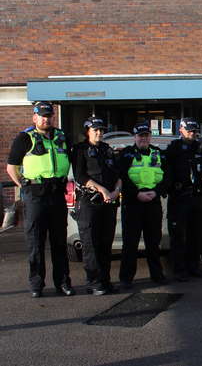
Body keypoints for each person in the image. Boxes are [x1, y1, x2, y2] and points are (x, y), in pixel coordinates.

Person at [5, 102, 75, 298]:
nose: (46, 119)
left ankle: (63, 283)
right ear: (34, 117)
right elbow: (12, 167)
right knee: (35, 242)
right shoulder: (25, 138)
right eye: (42, 116)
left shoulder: (62, 137)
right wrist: (24, 187)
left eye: (49, 115)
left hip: (56, 193)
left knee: (59, 242)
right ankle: (36, 284)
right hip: (35, 194)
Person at [71, 116, 121, 295]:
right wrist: (102, 190)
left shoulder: (107, 150)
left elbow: (118, 174)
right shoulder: (80, 150)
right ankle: (94, 282)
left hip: (108, 203)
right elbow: (80, 176)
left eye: (101, 130)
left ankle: (105, 281)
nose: (99, 133)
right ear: (88, 132)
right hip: (89, 203)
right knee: (91, 244)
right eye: (95, 130)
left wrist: (115, 191)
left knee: (106, 243)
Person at [118, 122, 168, 288]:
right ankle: (126, 278)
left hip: (153, 201)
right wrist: (136, 194)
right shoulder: (126, 154)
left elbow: (167, 177)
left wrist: (157, 191)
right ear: (135, 137)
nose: (144, 139)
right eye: (140, 136)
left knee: (153, 242)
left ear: (150, 136)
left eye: (146, 135)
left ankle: (157, 275)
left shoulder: (158, 153)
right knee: (130, 243)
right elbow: (122, 177)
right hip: (133, 203)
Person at [163, 117, 202, 281]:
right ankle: (179, 270)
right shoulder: (173, 149)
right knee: (178, 237)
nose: (192, 133)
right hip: (179, 198)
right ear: (181, 130)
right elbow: (165, 173)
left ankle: (194, 266)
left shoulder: (200, 147)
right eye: (189, 130)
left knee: (195, 235)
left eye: (195, 131)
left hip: (196, 197)